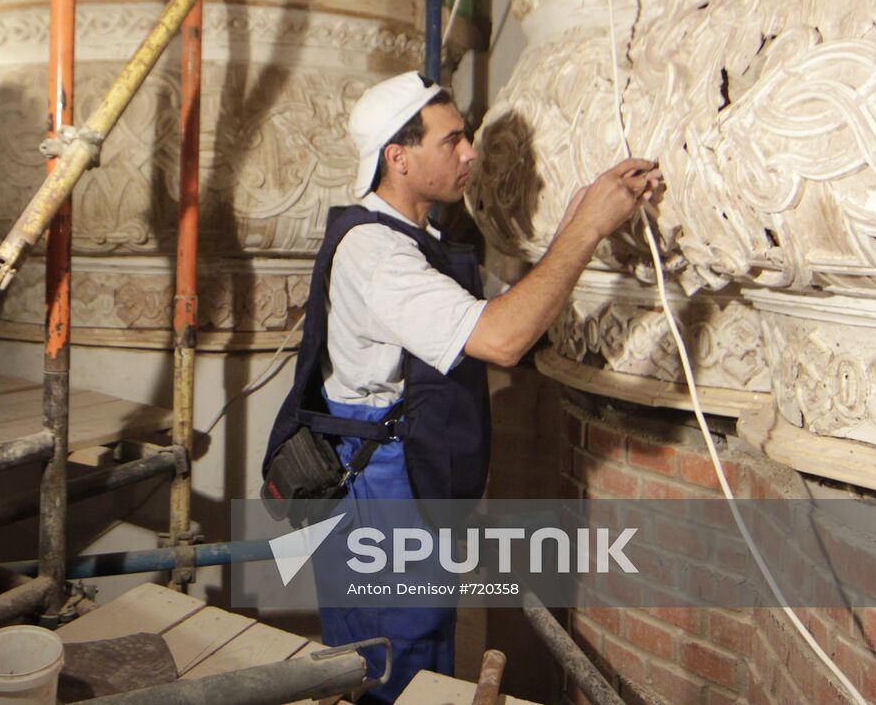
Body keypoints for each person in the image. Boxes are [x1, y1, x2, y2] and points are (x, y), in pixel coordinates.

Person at [263, 71, 661, 702]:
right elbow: (501, 339)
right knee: (394, 657)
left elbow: (512, 319)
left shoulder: (420, 242)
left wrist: (570, 226)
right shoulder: (377, 253)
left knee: (420, 645)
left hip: (408, 474)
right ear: (398, 157)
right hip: (378, 485)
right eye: (452, 140)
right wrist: (585, 230)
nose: (469, 151)